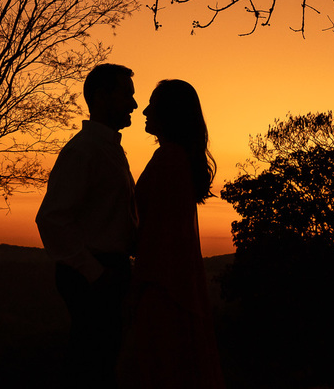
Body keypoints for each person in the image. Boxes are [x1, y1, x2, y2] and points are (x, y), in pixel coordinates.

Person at [36, 63, 139, 389]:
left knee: (103, 362)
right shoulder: (84, 151)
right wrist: (95, 273)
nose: (134, 104)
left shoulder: (109, 149)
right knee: (92, 365)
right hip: (93, 275)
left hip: (108, 271)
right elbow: (52, 218)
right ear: (101, 96)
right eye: (127, 95)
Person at [123, 79, 225, 389]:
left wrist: (139, 287)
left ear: (170, 112)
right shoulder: (175, 158)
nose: (144, 111)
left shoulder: (169, 159)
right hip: (168, 283)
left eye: (152, 104)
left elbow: (160, 233)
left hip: (162, 287)